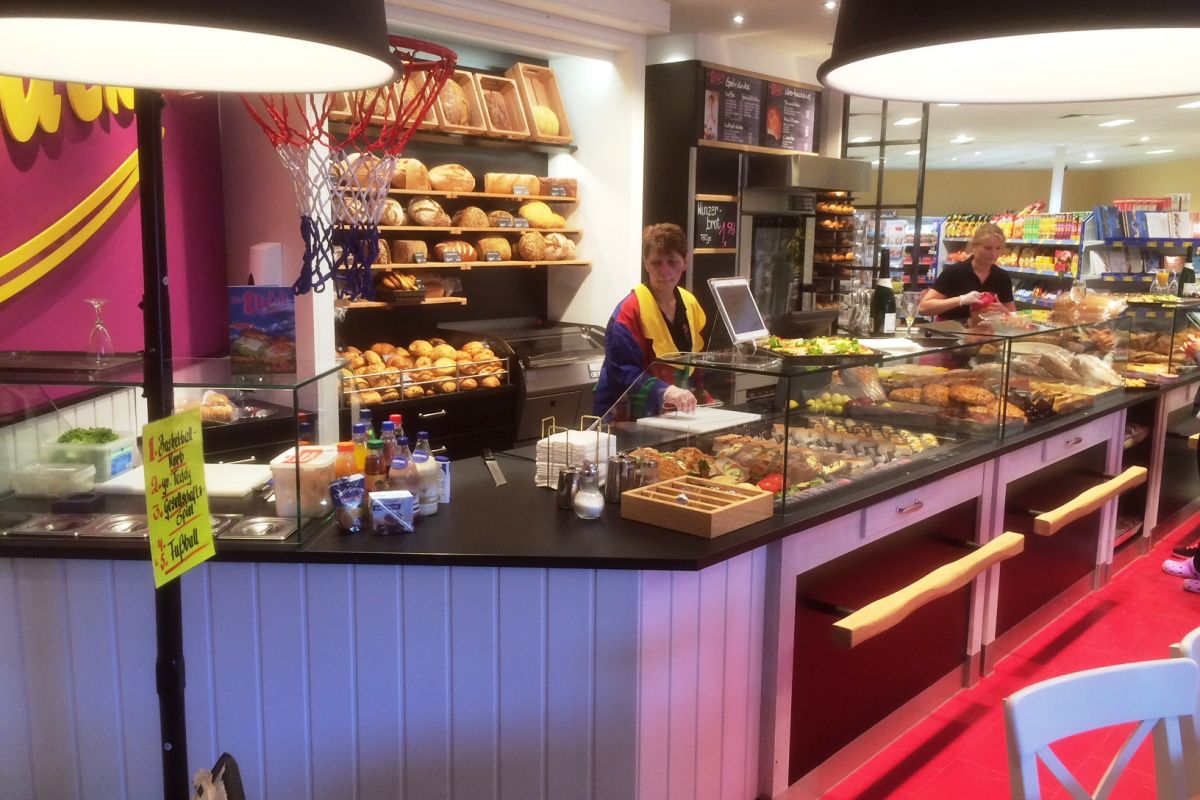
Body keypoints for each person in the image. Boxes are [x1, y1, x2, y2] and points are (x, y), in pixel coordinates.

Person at [594, 223, 707, 416]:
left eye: (672, 262)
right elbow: (622, 372)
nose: (665, 271)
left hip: (672, 416)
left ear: (685, 262)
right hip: (624, 417)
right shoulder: (629, 311)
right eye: (656, 263)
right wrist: (665, 391)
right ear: (645, 263)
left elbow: (697, 364)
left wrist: (703, 397)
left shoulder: (691, 304)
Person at [918, 222, 1017, 321]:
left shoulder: (1002, 277)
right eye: (987, 248)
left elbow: (1013, 315)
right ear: (974, 247)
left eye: (998, 248)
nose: (993, 254)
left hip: (986, 329)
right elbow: (923, 308)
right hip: (950, 329)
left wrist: (1004, 311)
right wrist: (961, 299)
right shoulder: (954, 272)